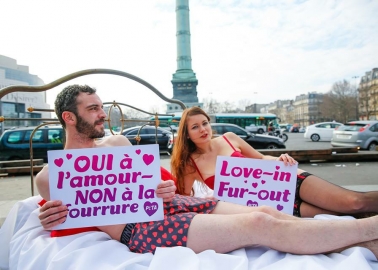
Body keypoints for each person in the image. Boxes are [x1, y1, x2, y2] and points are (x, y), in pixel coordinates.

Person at [38, 85, 378, 257]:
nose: (102, 114)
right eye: (93, 108)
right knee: (258, 224)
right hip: (141, 230)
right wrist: (48, 218)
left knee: (265, 209)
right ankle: (369, 230)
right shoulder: (49, 177)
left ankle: (362, 240)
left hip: (176, 207)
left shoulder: (118, 146)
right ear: (70, 117)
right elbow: (65, 220)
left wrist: (164, 191)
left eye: (101, 106)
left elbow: (162, 187)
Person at [170, 106, 378, 218]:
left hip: (285, 178)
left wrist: (279, 158)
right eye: (195, 127)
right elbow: (184, 201)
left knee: (354, 202)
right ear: (186, 134)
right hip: (273, 204)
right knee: (342, 215)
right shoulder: (190, 165)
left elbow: (261, 158)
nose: (203, 129)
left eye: (204, 123)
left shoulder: (230, 138)